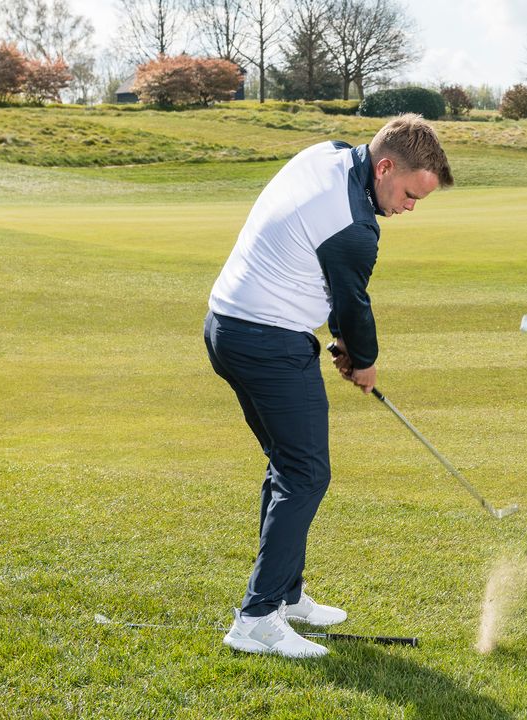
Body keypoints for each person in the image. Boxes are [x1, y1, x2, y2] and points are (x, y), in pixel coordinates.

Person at [203, 114, 453, 658]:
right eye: (410, 194)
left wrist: (340, 341)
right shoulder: (357, 229)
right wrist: (362, 360)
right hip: (266, 342)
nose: (409, 208)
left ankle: (285, 597)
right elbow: (351, 304)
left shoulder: (330, 154)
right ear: (385, 168)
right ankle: (256, 618)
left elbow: (317, 272)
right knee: (307, 474)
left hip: (226, 324)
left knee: (288, 466)